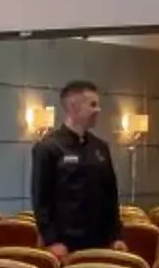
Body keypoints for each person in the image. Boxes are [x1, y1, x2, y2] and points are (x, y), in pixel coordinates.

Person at [31, 79, 120, 253]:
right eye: (92, 105)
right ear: (73, 107)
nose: (98, 110)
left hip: (101, 242)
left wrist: (116, 236)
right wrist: (52, 241)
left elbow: (111, 196)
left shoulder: (100, 147)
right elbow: (41, 200)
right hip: (64, 245)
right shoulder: (48, 147)